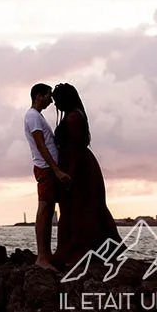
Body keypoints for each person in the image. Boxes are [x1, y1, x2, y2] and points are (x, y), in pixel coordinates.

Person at [50, 82, 120, 269]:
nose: (55, 104)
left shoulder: (73, 118)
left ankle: (77, 252)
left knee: (79, 210)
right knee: (84, 209)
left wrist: (68, 175)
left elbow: (76, 149)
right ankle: (90, 250)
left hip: (80, 170)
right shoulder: (75, 115)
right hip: (80, 167)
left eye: (57, 100)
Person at [25, 83, 71, 273]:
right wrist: (56, 170)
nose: (51, 100)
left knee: (49, 210)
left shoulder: (37, 116)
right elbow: (41, 145)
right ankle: (42, 258)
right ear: (38, 95)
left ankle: (46, 255)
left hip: (48, 169)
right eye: (48, 96)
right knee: (44, 211)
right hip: (46, 169)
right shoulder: (33, 116)